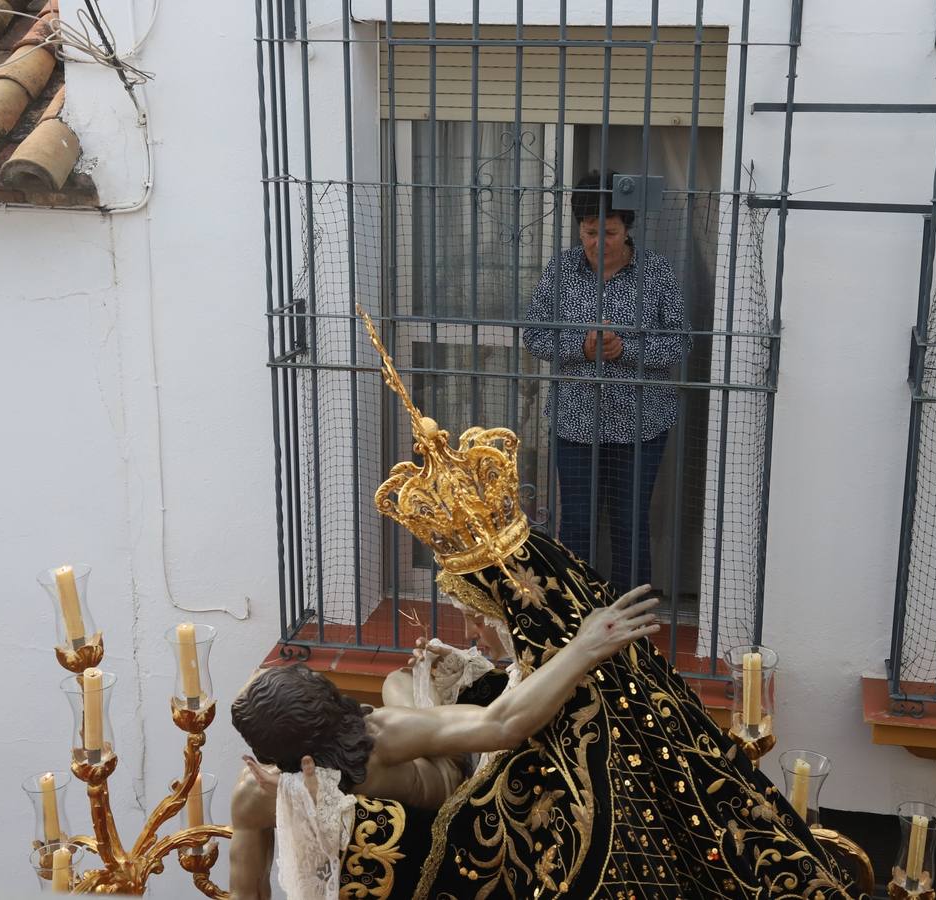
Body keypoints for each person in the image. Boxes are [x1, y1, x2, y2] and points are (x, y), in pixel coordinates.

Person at [357, 307, 865, 899]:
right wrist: (442, 675)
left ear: (522, 618)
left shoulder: (557, 720)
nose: (471, 629)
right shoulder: (547, 671)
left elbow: (502, 730)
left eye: (479, 614)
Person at [228, 588, 659, 900]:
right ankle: (428, 689)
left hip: (451, 784)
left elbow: (503, 724)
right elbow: (247, 891)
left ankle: (429, 685)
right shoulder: (268, 791)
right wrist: (584, 645)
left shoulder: (374, 738)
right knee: (399, 682)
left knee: (399, 681)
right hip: (411, 815)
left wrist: (586, 646)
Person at [523, 171, 692, 594]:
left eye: (610, 232)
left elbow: (681, 342)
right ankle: (577, 614)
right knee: (577, 521)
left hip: (641, 425)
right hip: (576, 423)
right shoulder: (561, 269)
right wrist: (582, 346)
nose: (599, 242)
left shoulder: (655, 271)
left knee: (630, 522)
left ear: (627, 228)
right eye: (590, 232)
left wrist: (625, 351)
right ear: (579, 228)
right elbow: (534, 335)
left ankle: (630, 622)